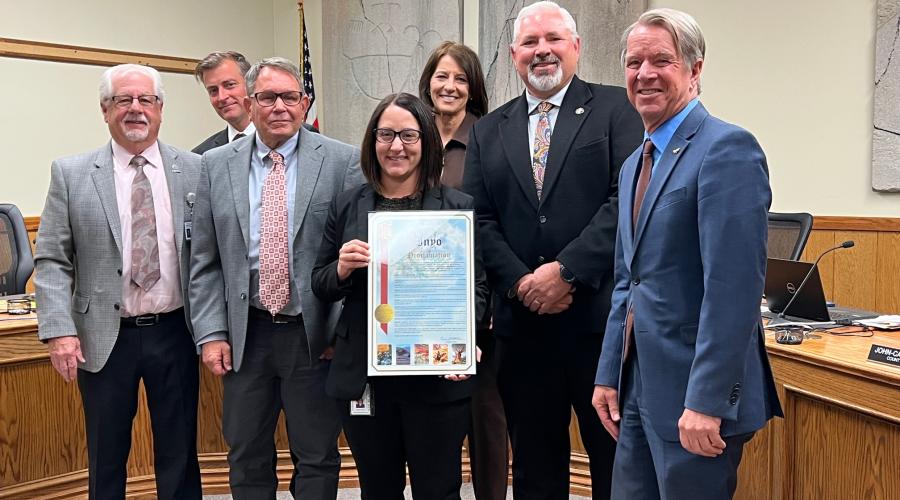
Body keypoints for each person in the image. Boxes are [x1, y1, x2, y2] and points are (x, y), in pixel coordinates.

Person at [592, 8, 783, 499]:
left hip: (694, 401)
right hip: (636, 389)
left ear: (695, 70)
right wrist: (609, 375)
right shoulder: (636, 161)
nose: (645, 74)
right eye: (634, 63)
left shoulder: (727, 149)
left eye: (662, 60)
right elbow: (626, 281)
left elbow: (733, 291)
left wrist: (707, 402)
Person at [462, 2, 643, 498]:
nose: (542, 50)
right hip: (524, 331)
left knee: (613, 463)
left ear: (576, 47)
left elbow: (623, 201)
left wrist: (564, 273)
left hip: (598, 328)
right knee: (536, 468)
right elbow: (479, 219)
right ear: (514, 54)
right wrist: (523, 283)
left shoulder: (617, 109)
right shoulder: (487, 130)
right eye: (530, 42)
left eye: (554, 39)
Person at [188, 57, 363, 500]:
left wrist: (340, 334)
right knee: (245, 454)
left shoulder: (343, 161)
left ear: (305, 104)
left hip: (313, 337)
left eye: (290, 97)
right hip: (246, 336)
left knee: (317, 455)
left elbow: (357, 257)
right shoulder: (214, 164)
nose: (279, 106)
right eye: (267, 97)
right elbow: (204, 260)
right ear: (250, 103)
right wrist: (211, 333)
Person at [34, 63, 202, 500]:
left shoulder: (196, 169)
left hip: (176, 331)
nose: (135, 109)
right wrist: (59, 331)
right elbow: (52, 258)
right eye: (123, 100)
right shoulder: (71, 173)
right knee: (106, 456)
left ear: (161, 109)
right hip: (103, 337)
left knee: (181, 451)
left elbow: (210, 256)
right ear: (105, 110)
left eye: (146, 99)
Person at [311, 92, 489, 500]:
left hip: (437, 371)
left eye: (408, 136)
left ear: (425, 142)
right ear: (372, 141)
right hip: (367, 377)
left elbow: (477, 287)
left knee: (439, 488)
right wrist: (341, 268)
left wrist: (467, 336)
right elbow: (319, 282)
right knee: (378, 488)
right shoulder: (347, 205)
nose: (396, 146)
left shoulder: (457, 208)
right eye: (386, 134)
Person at [418, 41, 508, 500]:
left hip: (478, 306)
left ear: (472, 89)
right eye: (441, 76)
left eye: (460, 78)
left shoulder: (491, 138)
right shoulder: (411, 136)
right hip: (420, 305)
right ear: (428, 81)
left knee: (484, 418)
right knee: (431, 419)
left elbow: (499, 224)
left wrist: (488, 302)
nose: (449, 86)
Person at [193, 51, 256, 154]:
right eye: (213, 90)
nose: (222, 97)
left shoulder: (284, 140)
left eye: (229, 85)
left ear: (250, 85)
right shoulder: (202, 155)